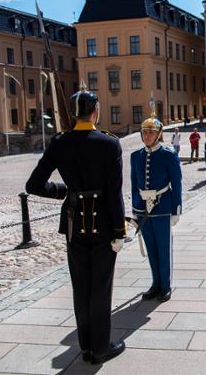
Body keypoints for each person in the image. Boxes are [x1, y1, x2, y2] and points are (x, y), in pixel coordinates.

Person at [25, 90, 126, 365]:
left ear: (73, 114)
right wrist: (120, 231)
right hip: (104, 225)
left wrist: (63, 191)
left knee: (81, 287)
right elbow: (114, 193)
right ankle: (101, 346)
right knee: (101, 288)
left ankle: (86, 346)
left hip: (74, 224)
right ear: (95, 112)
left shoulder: (60, 143)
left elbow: (33, 185)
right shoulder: (109, 144)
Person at [131, 114, 182, 303]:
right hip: (143, 210)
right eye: (144, 132)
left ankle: (166, 286)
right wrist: (135, 210)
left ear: (159, 134)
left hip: (162, 207)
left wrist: (176, 210)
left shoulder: (169, 155)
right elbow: (134, 183)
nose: (147, 136)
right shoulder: (135, 156)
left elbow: (176, 184)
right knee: (151, 249)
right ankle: (155, 283)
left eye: (151, 132)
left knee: (163, 248)